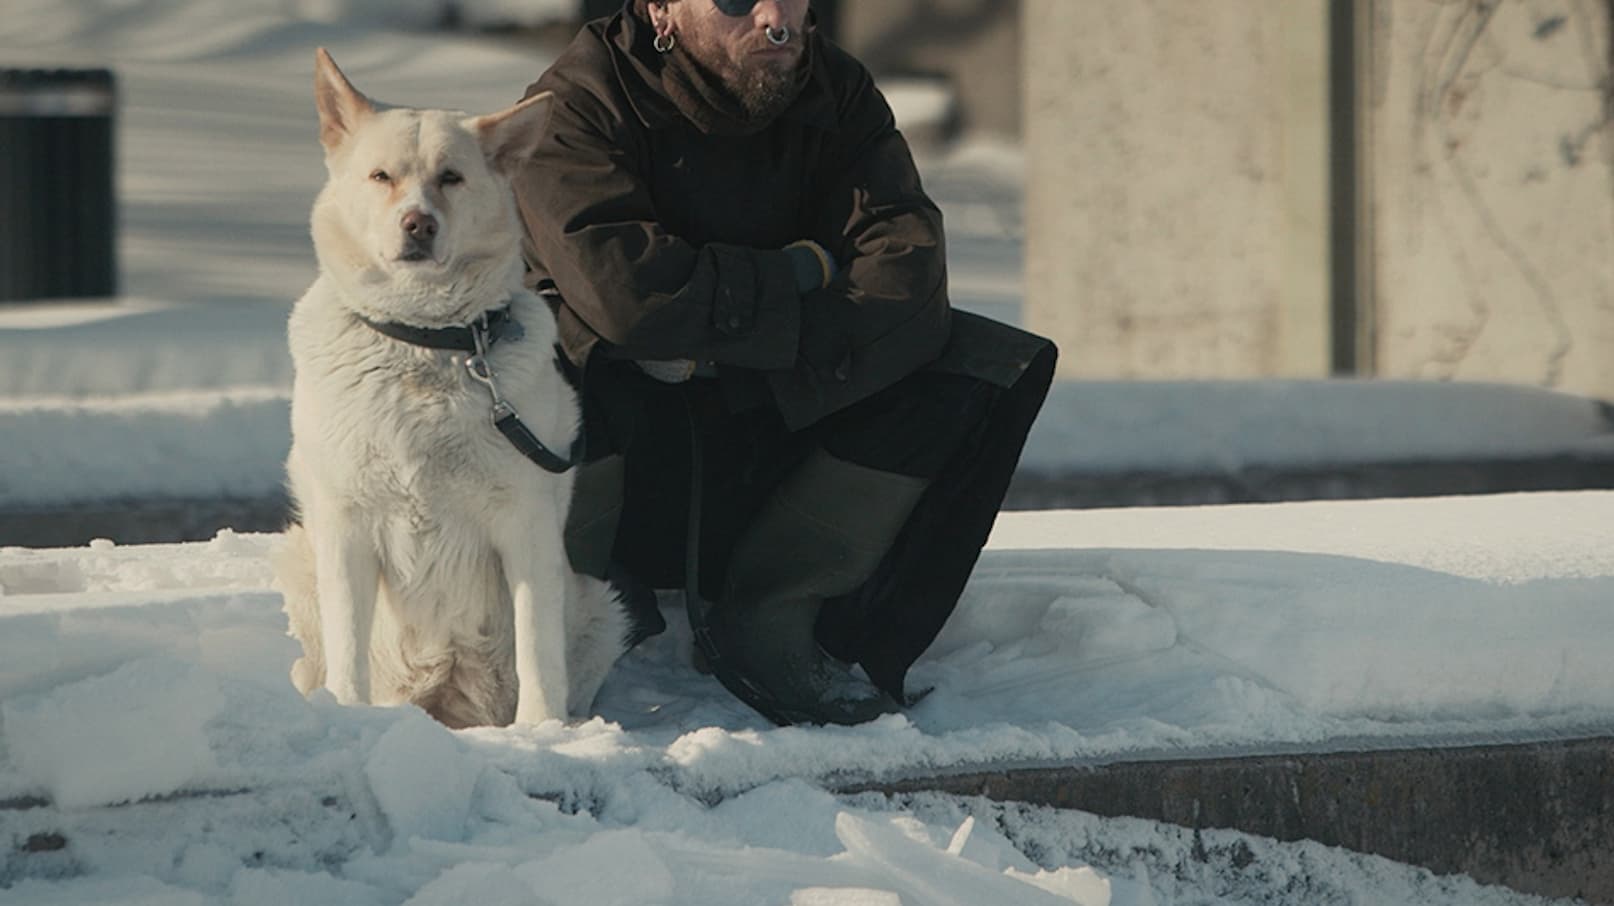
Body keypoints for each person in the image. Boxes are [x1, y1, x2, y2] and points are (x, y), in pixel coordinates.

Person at [511, 0, 1056, 726]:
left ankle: (776, 613)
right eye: (736, 1)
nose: (775, 18)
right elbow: (629, 295)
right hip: (628, 455)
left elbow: (907, 270)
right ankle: (584, 605)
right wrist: (803, 271)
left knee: (974, 365)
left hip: (775, 426)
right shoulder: (578, 103)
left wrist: (729, 349)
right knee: (545, 354)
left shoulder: (837, 89)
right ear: (661, 9)